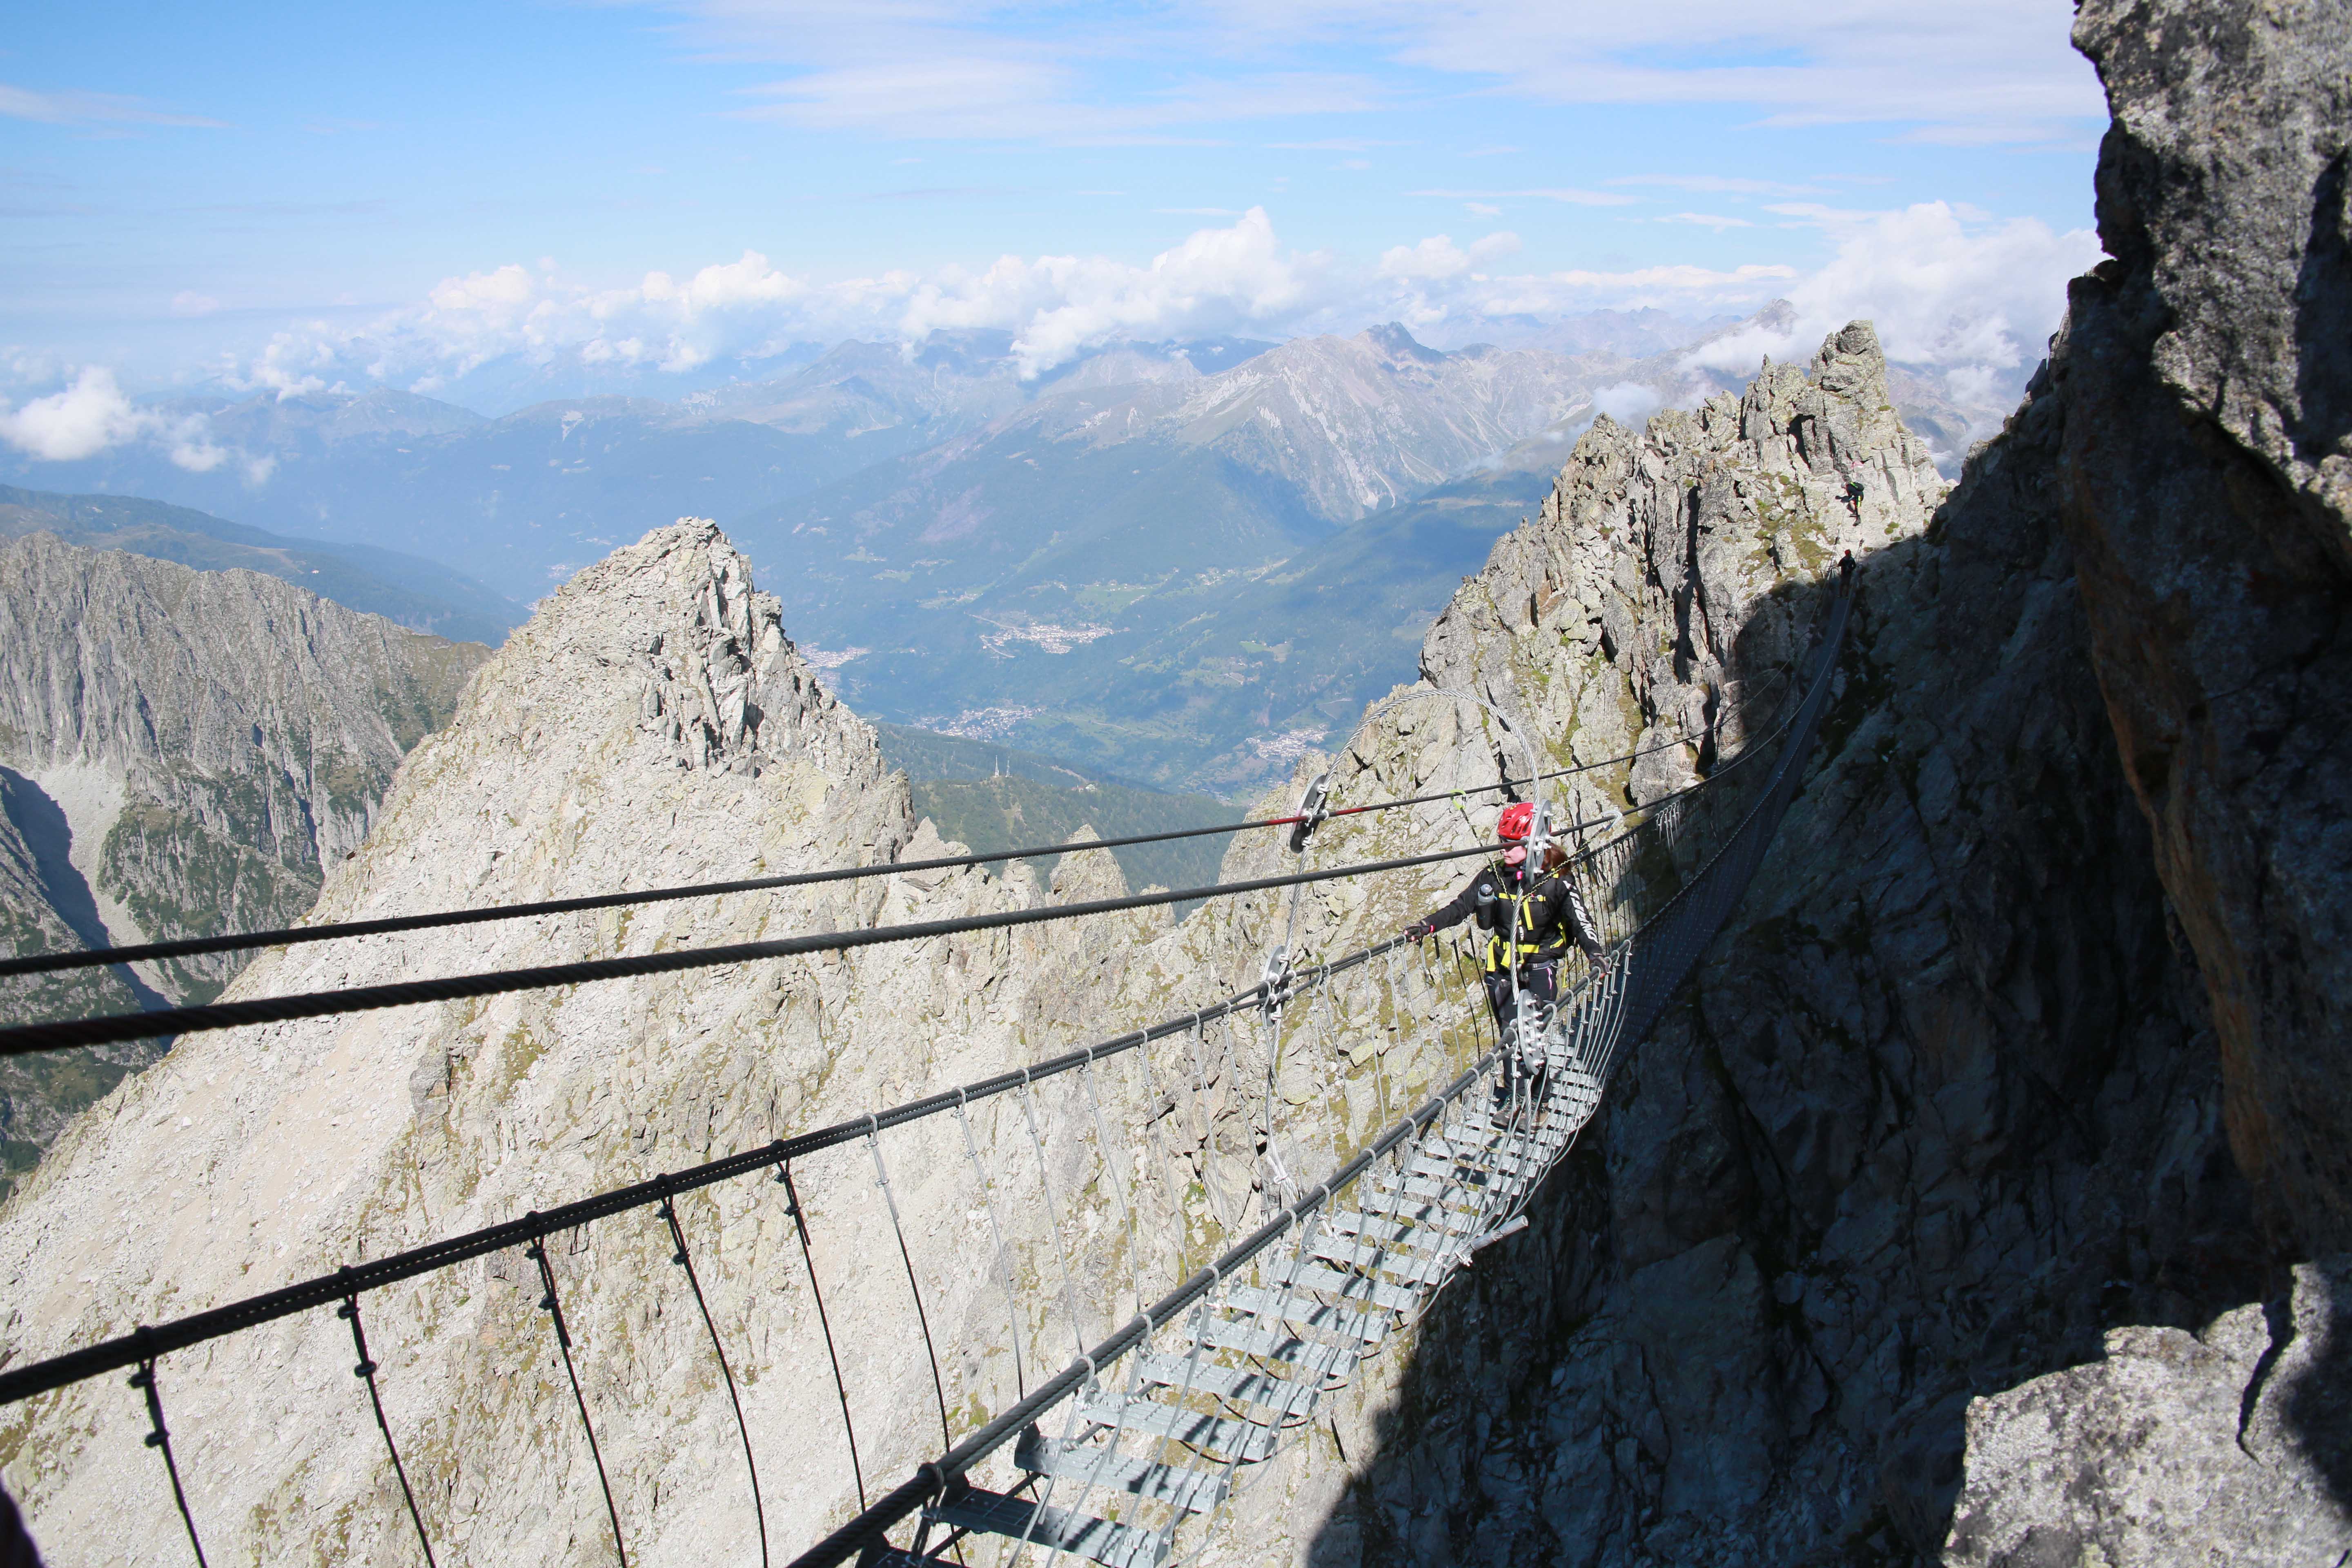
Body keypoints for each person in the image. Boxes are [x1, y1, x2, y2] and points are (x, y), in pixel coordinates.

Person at [1402, 801, 1604, 1044]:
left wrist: (1595, 953)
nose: (1503, 849)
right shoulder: (1494, 875)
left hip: (1541, 966)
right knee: (1509, 1038)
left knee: (1534, 1040)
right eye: (1502, 840)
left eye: (1511, 843)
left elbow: (1579, 919)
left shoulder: (1557, 879)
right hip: (1501, 969)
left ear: (1534, 842)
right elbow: (1461, 907)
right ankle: (1512, 1083)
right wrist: (1428, 925)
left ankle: (1539, 1083)